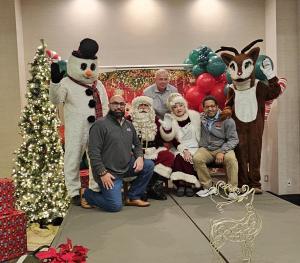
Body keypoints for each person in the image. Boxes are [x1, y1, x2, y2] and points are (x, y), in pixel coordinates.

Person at [49, 38, 108, 205]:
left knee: (96, 158)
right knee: (73, 158)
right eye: (84, 67)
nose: (88, 72)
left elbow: (105, 104)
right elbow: (55, 100)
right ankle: (73, 191)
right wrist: (54, 82)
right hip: (76, 128)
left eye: (91, 67)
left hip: (96, 128)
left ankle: (95, 189)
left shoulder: (99, 85)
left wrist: (104, 124)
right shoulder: (67, 83)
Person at [80, 95, 154, 212]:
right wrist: (102, 173)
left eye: (121, 104)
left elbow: (137, 145)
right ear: (109, 106)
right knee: (114, 206)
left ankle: (132, 196)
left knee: (148, 165)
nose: (118, 107)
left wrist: (139, 157)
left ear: (125, 106)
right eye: (115, 104)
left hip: (126, 166)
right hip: (108, 172)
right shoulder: (100, 125)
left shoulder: (128, 125)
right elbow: (93, 153)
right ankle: (87, 194)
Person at [130, 96, 175, 200]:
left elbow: (166, 137)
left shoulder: (154, 119)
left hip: (152, 151)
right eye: (141, 105)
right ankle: (141, 188)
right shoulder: (129, 119)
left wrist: (167, 128)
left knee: (168, 156)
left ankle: (151, 186)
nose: (143, 107)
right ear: (136, 107)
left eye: (146, 105)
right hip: (135, 152)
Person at [193, 96, 239, 197]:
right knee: (197, 158)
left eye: (213, 106)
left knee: (231, 159)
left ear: (217, 106)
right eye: (207, 107)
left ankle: (232, 189)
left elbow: (234, 139)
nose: (210, 109)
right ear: (203, 108)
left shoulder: (226, 119)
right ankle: (209, 187)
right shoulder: (200, 118)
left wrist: (222, 151)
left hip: (223, 148)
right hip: (206, 148)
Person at [160, 93, 201, 197]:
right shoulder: (171, 120)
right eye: (175, 107)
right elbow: (173, 140)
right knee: (179, 157)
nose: (178, 108)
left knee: (193, 157)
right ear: (172, 109)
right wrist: (184, 150)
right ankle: (180, 184)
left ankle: (189, 184)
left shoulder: (194, 116)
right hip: (179, 147)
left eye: (180, 105)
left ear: (184, 105)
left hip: (195, 146)